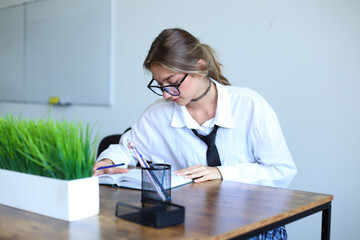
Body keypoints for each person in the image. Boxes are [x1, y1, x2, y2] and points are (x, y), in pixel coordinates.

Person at [93, 28, 297, 240]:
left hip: (252, 224)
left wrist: (222, 173)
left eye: (172, 82)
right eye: (160, 84)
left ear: (199, 67)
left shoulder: (249, 105)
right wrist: (110, 160)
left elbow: (281, 171)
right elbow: (125, 150)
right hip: (191, 226)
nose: (165, 93)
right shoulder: (157, 115)